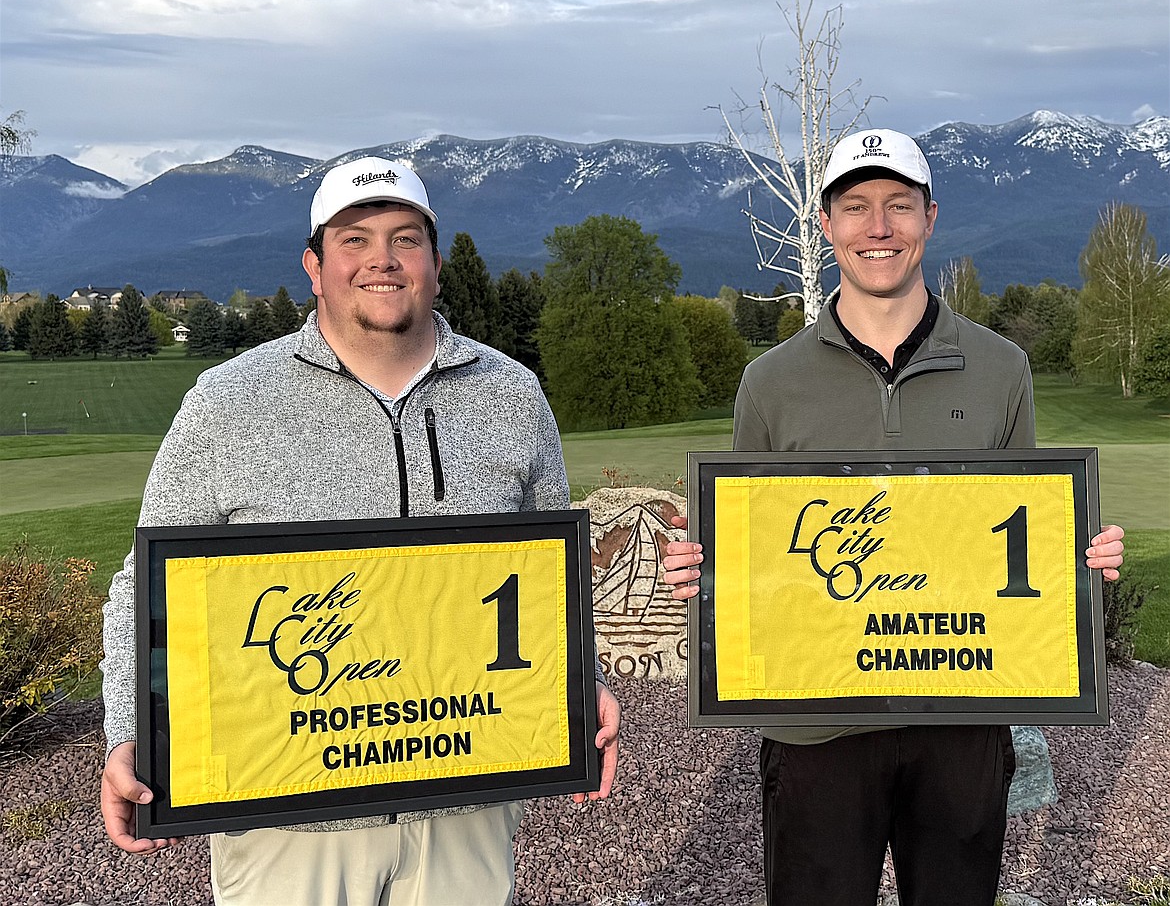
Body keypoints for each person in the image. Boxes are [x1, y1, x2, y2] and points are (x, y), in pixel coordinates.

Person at [100, 156, 621, 906]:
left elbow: (548, 585)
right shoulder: (229, 400)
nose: (383, 258)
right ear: (314, 267)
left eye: (405, 238)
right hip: (288, 809)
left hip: (466, 795)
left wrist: (582, 682)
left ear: (434, 263)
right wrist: (129, 730)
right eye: (355, 239)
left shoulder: (510, 392)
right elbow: (145, 588)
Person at [662, 129, 1125, 906]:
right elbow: (751, 546)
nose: (878, 227)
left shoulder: (1002, 367)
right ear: (826, 225)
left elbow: (1022, 530)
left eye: (899, 206)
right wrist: (705, 571)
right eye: (856, 207)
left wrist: (1079, 557)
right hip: (813, 724)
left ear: (930, 219)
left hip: (962, 717)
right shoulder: (770, 382)